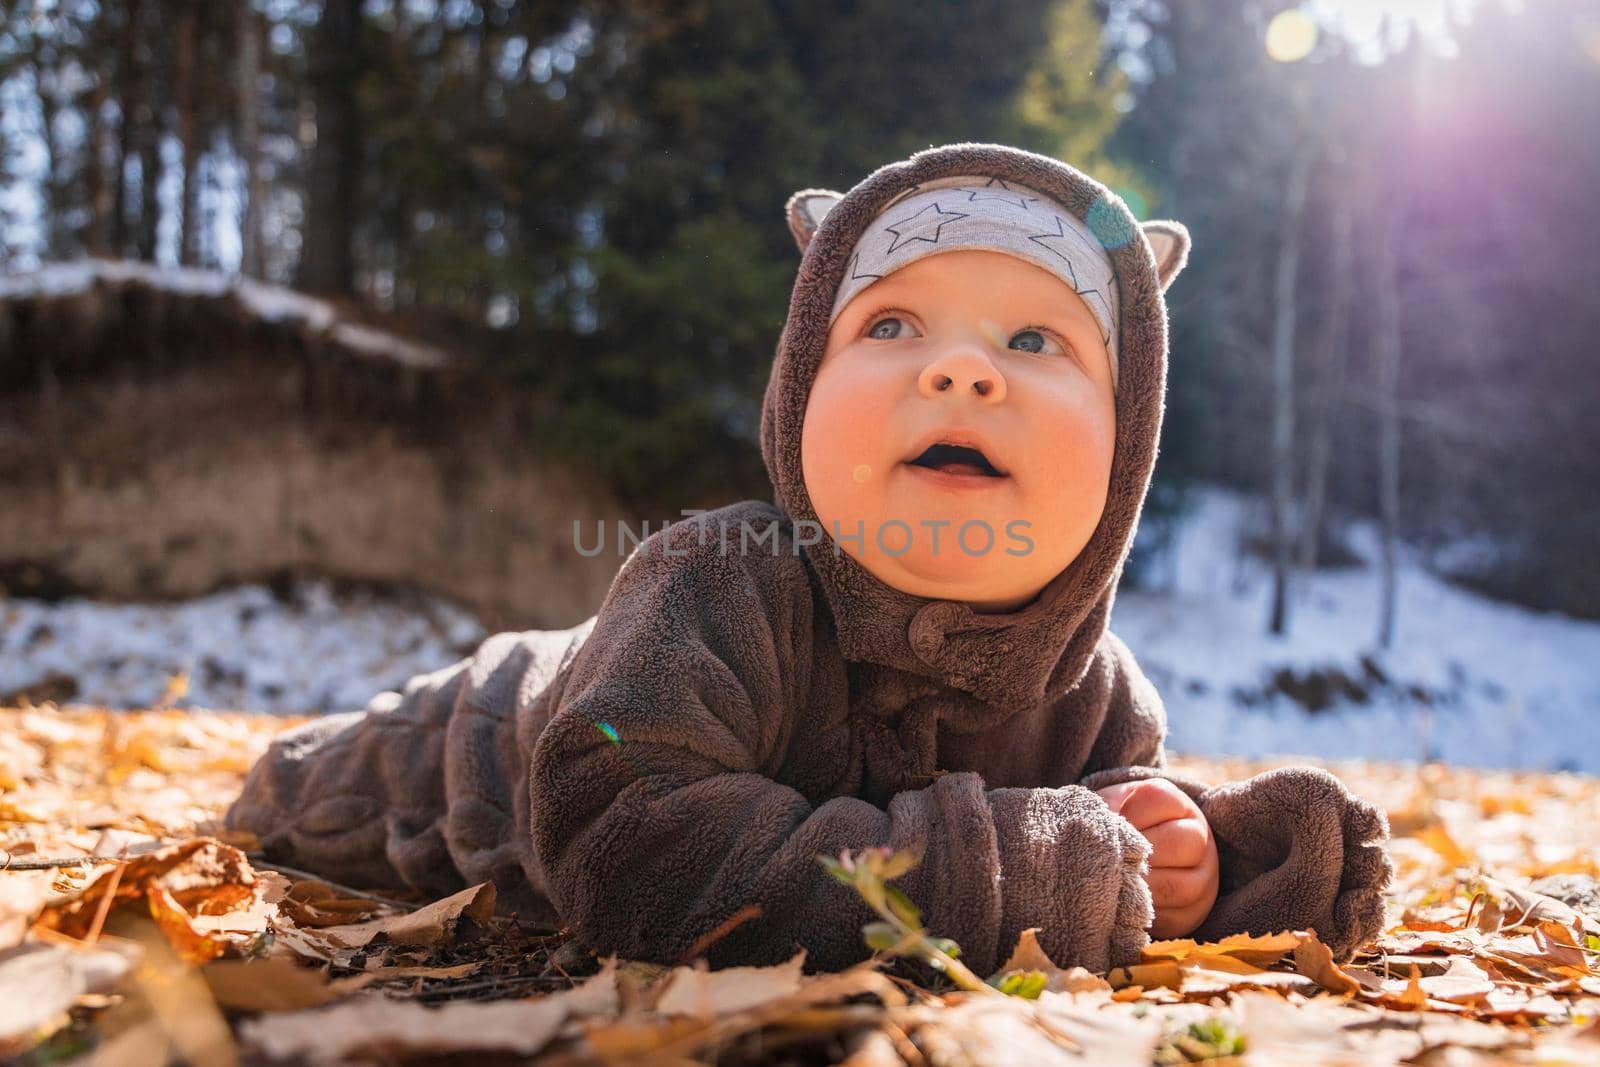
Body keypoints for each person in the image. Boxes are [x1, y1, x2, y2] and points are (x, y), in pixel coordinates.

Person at [226, 142, 1393, 978]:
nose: (961, 371)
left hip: (598, 706)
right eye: (891, 326)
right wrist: (1005, 878)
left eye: (1033, 341)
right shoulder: (720, 576)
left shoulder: (1096, 688)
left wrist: (1193, 854)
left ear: (1128, 442)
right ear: (796, 399)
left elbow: (1090, 839)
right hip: (485, 737)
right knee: (289, 794)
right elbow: (626, 829)